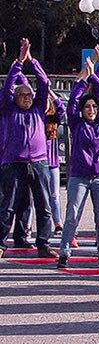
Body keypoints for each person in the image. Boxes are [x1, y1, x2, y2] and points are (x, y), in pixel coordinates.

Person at [59, 58, 99, 276]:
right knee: (72, 215)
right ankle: (64, 252)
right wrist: (84, 79)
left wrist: (97, 72)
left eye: (94, 107)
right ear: (82, 110)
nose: (91, 109)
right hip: (79, 176)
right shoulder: (77, 123)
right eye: (87, 107)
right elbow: (73, 100)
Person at [0, 42, 55, 257]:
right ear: (15, 98)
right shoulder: (8, 109)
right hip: (14, 163)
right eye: (22, 95)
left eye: (29, 95)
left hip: (39, 163)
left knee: (44, 205)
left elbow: (44, 83)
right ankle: (1, 244)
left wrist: (32, 61)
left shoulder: (38, 109)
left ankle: (44, 244)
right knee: (8, 205)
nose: (27, 98)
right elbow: (7, 88)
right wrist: (19, 63)